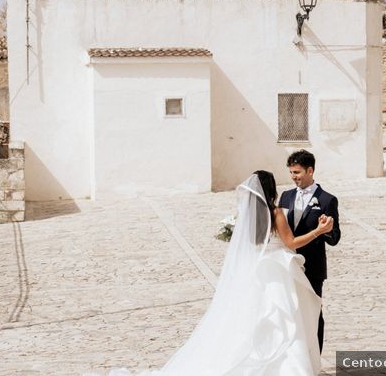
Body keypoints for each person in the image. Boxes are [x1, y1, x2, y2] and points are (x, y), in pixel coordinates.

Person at [102, 171, 333, 376]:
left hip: (257, 269)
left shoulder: (249, 216)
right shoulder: (275, 213)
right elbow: (291, 243)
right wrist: (318, 231)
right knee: (283, 316)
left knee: (257, 316)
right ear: (271, 189)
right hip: (276, 271)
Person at [278, 150, 341, 353]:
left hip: (312, 267)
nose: (294, 176)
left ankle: (314, 360)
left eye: (297, 172)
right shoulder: (285, 197)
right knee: (288, 311)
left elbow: (335, 238)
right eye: (291, 172)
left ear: (310, 170)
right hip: (287, 266)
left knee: (314, 313)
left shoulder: (327, 200)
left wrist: (328, 230)